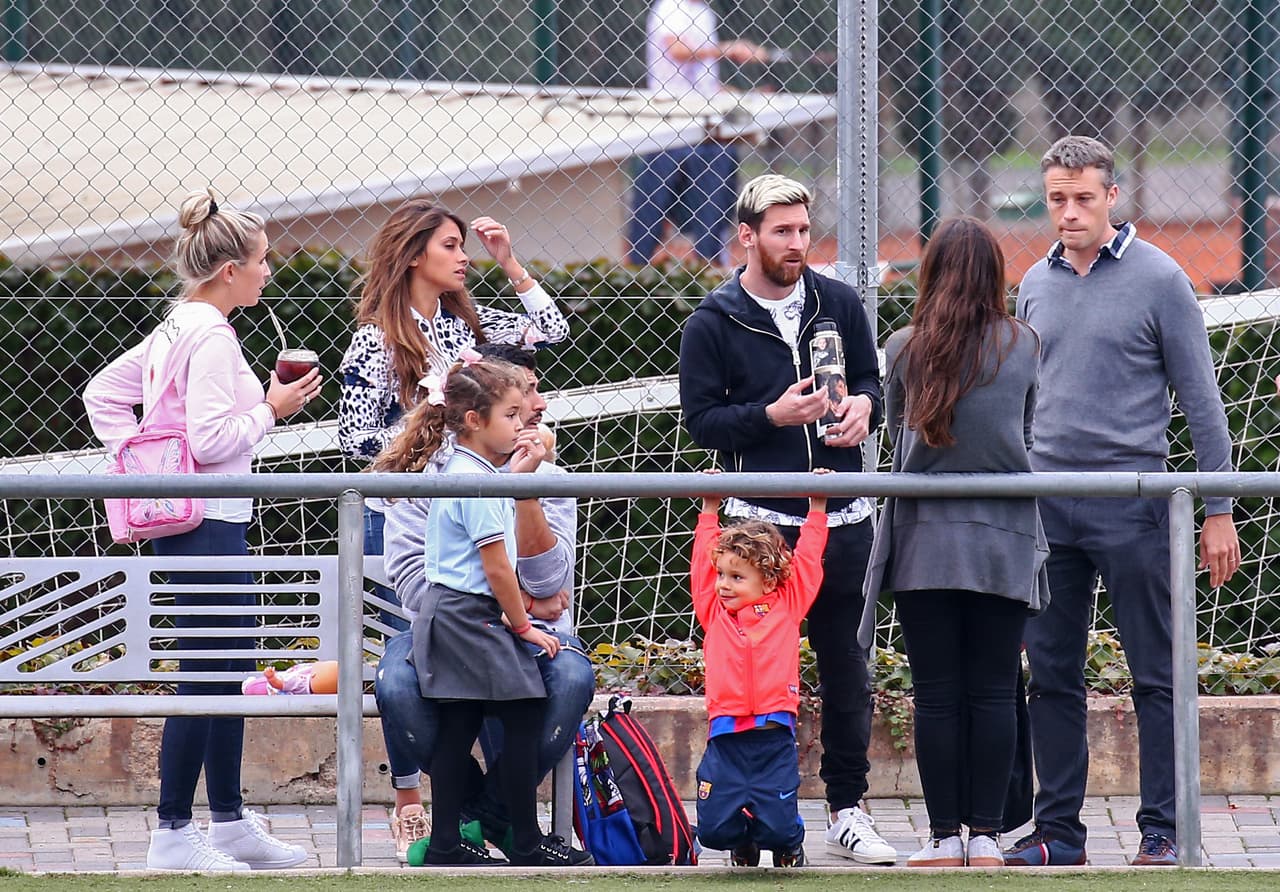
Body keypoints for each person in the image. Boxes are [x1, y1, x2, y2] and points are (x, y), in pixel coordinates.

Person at [1007, 136, 1241, 868]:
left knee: (1156, 675)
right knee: (1050, 675)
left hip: (1136, 504)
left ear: (1112, 196)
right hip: (1047, 506)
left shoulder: (1161, 279)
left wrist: (1217, 509)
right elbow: (1023, 402)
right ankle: (1058, 833)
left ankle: (1162, 830)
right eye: (1057, 199)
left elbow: (1203, 401)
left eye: (1083, 198)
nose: (1069, 212)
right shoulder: (1033, 283)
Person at [83, 189, 320, 872]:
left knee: (227, 670)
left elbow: (103, 393)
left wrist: (145, 462)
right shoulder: (210, 332)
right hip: (207, 521)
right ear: (230, 271)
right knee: (209, 674)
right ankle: (173, 833)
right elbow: (212, 438)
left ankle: (230, 823)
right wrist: (271, 409)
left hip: (201, 519)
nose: (268, 272)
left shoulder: (178, 324)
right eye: (262, 260)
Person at [678, 173, 896, 865]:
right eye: (782, 231)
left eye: (803, 229)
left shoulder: (839, 302)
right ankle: (755, 809)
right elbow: (701, 421)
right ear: (747, 236)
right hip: (758, 528)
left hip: (843, 518)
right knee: (753, 678)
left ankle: (847, 810)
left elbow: (871, 380)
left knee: (847, 668)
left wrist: (865, 408)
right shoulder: (713, 319)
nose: (798, 242)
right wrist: (771, 416)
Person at [858, 217, 1046, 868]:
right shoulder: (1024, 344)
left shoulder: (903, 346)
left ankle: (942, 839)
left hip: (923, 542)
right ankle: (987, 838)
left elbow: (894, 431)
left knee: (936, 694)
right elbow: (1027, 429)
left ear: (932, 271)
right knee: (995, 691)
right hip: (1005, 539)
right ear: (995, 274)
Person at [373, 343, 595, 861]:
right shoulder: (469, 481)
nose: (531, 415)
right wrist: (524, 620)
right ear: (475, 419)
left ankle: (454, 838)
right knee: (522, 714)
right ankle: (522, 841)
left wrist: (526, 488)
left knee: (462, 724)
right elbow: (493, 567)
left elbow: (549, 579)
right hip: (473, 619)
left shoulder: (491, 476)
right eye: (513, 411)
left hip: (468, 616)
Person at [338, 201, 569, 630]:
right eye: (450, 246)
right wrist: (436, 439)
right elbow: (354, 438)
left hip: (464, 503)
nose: (463, 257)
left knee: (475, 628)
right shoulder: (376, 339)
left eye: (463, 246)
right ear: (412, 255)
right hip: (400, 512)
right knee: (418, 634)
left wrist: (509, 262)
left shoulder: (465, 323)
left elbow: (552, 330)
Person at [692, 469, 830, 868]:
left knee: (779, 827)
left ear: (769, 582)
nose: (724, 584)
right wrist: (709, 508)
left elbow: (808, 562)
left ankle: (789, 844)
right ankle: (742, 841)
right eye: (722, 574)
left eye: (737, 577)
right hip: (726, 740)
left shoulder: (787, 607)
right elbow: (702, 566)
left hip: (773, 740)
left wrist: (817, 507)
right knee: (712, 830)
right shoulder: (714, 614)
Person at [626, 0, 766, 267]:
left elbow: (703, 80)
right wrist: (730, 49)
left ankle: (709, 263)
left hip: (706, 125)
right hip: (669, 121)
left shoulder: (704, 13)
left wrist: (736, 94)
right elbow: (678, 50)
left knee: (718, 186)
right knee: (653, 205)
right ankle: (638, 266)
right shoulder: (670, 7)